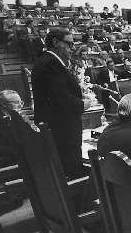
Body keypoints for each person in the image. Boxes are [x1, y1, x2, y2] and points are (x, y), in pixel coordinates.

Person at [31, 29, 92, 179]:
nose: (72, 48)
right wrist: (82, 104)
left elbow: (57, 92)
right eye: (69, 44)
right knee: (73, 171)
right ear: (56, 42)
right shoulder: (50, 64)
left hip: (59, 128)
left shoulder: (47, 61)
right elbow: (60, 99)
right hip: (62, 131)